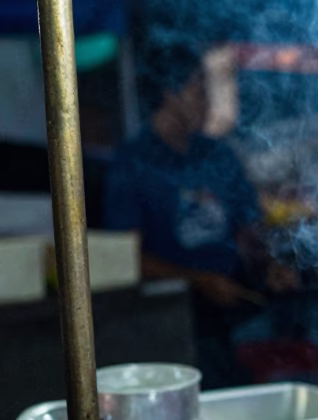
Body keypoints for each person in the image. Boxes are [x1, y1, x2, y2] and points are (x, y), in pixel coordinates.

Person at [102, 43, 293, 388]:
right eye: (200, 88)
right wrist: (200, 281)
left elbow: (250, 229)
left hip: (237, 303)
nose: (209, 100)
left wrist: (269, 264)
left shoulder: (219, 156)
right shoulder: (132, 164)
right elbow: (128, 257)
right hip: (169, 318)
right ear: (169, 93)